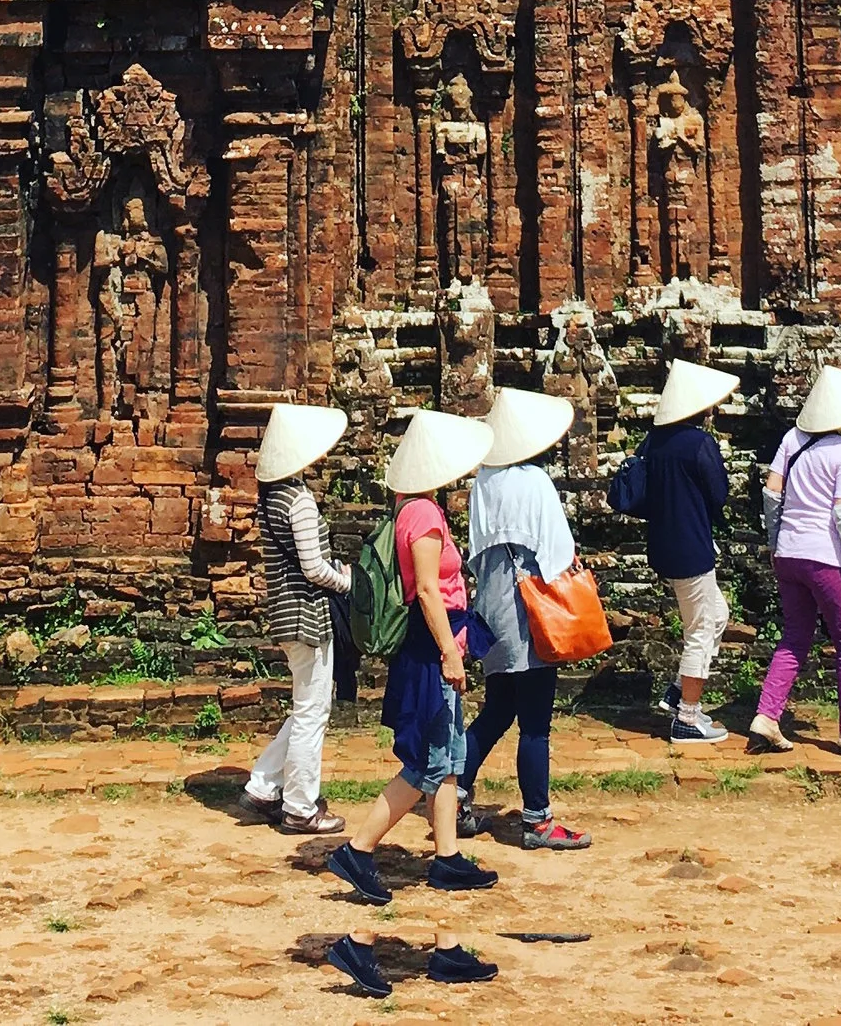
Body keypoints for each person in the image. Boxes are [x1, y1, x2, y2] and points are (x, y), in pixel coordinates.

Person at [325, 407, 503, 998]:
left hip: (435, 644)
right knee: (429, 764)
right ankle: (359, 848)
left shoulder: (413, 509)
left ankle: (447, 870)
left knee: (448, 763)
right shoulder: (424, 515)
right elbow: (427, 588)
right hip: (431, 649)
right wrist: (451, 655)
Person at [456, 386, 592, 851]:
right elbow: (557, 554)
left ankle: (455, 792)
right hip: (530, 611)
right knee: (535, 721)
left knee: (497, 710)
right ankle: (537, 819)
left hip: (492, 608)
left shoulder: (483, 483)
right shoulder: (534, 482)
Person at [748, 364, 841, 757]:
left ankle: (767, 715)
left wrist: (778, 541)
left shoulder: (792, 439)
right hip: (828, 559)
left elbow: (771, 493)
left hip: (789, 555)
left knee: (795, 637)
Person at [241, 401, 352, 837]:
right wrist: (347, 582)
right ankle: (301, 807)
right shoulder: (299, 500)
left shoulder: (272, 496)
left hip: (287, 616)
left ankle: (264, 785)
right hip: (308, 617)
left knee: (307, 706)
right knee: (312, 713)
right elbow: (314, 569)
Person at [626, 358, 737, 744]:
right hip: (692, 547)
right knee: (701, 628)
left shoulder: (652, 442)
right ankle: (687, 718)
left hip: (664, 544)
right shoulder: (700, 444)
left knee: (717, 614)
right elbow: (719, 494)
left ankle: (677, 692)